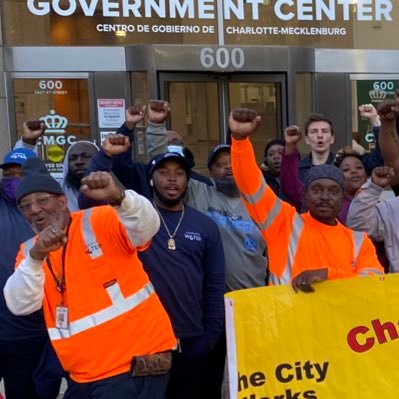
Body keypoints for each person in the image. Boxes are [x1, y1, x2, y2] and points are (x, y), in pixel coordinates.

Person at [4, 157, 177, 399]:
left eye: (42, 200)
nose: (34, 210)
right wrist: (36, 257)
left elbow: (147, 226)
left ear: (63, 201)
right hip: (82, 376)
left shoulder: (100, 219)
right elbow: (20, 304)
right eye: (25, 205)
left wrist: (120, 197)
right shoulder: (30, 250)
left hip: (133, 366)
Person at [229, 107, 383, 292]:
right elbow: (251, 185)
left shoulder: (359, 241)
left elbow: (374, 285)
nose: (325, 197)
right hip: (287, 319)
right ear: (305, 195)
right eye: (317, 190)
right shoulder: (283, 223)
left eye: (333, 191)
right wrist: (240, 141)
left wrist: (328, 275)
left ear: (342, 197)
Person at [141, 151, 225, 399]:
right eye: (164, 173)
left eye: (179, 173)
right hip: (148, 339)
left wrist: (210, 336)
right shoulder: (137, 221)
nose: (172, 179)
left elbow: (214, 283)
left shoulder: (204, 225)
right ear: (151, 179)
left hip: (193, 337)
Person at [0, 147, 49, 399]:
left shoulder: (46, 213)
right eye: (8, 175)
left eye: (20, 175)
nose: (13, 181)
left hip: (29, 333)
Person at [60, 141, 99, 210]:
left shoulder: (113, 188)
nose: (79, 162)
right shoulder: (58, 190)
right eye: (73, 158)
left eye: (85, 156)